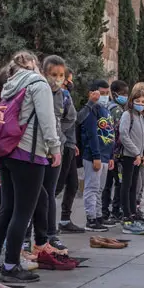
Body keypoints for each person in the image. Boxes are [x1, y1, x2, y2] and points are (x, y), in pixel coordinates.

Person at [0, 51, 60, 282]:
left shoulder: (9, 85)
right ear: (34, 64)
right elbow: (47, 120)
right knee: (22, 212)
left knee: (7, 209)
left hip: (6, 152)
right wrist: (54, 149)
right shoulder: (38, 84)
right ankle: (11, 266)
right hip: (29, 154)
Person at [31, 55, 74, 255]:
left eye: (60, 75)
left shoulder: (64, 96)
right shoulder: (39, 91)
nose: (57, 79)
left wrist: (60, 135)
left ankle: (50, 234)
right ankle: (27, 236)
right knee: (34, 194)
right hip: (38, 150)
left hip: (56, 149)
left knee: (50, 193)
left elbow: (70, 117)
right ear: (45, 73)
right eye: (53, 74)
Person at [78, 79, 114, 230]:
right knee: (92, 188)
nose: (104, 96)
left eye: (107, 93)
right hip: (94, 156)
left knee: (100, 188)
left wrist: (111, 156)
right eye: (101, 93)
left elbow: (110, 133)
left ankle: (99, 216)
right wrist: (96, 156)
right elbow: (92, 134)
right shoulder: (91, 110)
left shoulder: (105, 110)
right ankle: (91, 219)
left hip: (105, 156)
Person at [118, 85, 144, 232]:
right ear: (132, 101)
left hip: (138, 157)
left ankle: (133, 211)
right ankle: (126, 214)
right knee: (126, 185)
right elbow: (124, 135)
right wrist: (136, 153)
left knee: (135, 186)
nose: (140, 104)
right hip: (129, 156)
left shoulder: (140, 116)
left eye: (143, 102)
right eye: (138, 101)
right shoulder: (128, 115)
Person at [53, 70, 82, 234]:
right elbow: (59, 121)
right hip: (64, 145)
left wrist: (72, 143)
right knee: (57, 185)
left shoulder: (65, 96)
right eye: (68, 81)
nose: (70, 84)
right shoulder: (61, 95)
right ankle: (43, 220)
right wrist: (64, 140)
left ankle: (65, 219)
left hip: (70, 144)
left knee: (72, 184)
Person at [101, 80, 129, 220]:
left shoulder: (106, 106)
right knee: (118, 183)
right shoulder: (117, 110)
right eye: (123, 94)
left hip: (108, 152)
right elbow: (118, 132)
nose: (126, 96)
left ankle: (105, 210)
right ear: (115, 93)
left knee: (107, 184)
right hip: (116, 153)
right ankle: (115, 210)